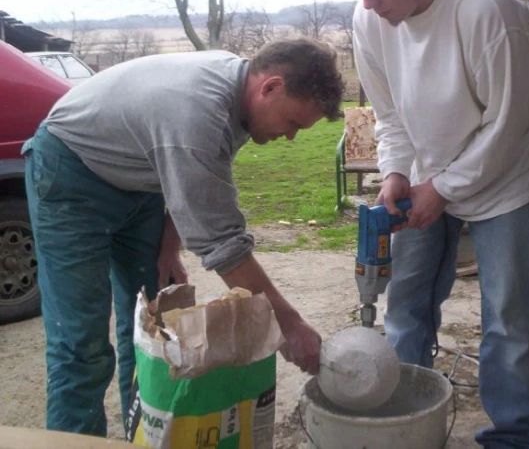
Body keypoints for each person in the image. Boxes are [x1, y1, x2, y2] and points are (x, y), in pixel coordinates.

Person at [22, 38, 344, 437]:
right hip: (72, 172)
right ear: (271, 87)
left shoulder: (241, 97)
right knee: (81, 344)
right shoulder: (199, 110)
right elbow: (222, 245)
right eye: (293, 123)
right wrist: (288, 324)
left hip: (141, 180)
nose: (292, 137)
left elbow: (194, 177)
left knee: (149, 329)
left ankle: (143, 437)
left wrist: (169, 243)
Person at [332, 0, 529, 447]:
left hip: (507, 182)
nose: (368, 1)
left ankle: (510, 436)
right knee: (405, 303)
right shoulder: (369, 19)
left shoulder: (485, 7)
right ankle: (408, 418)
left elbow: (509, 123)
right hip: (427, 175)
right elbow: (390, 115)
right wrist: (395, 174)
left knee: (508, 317)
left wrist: (446, 188)